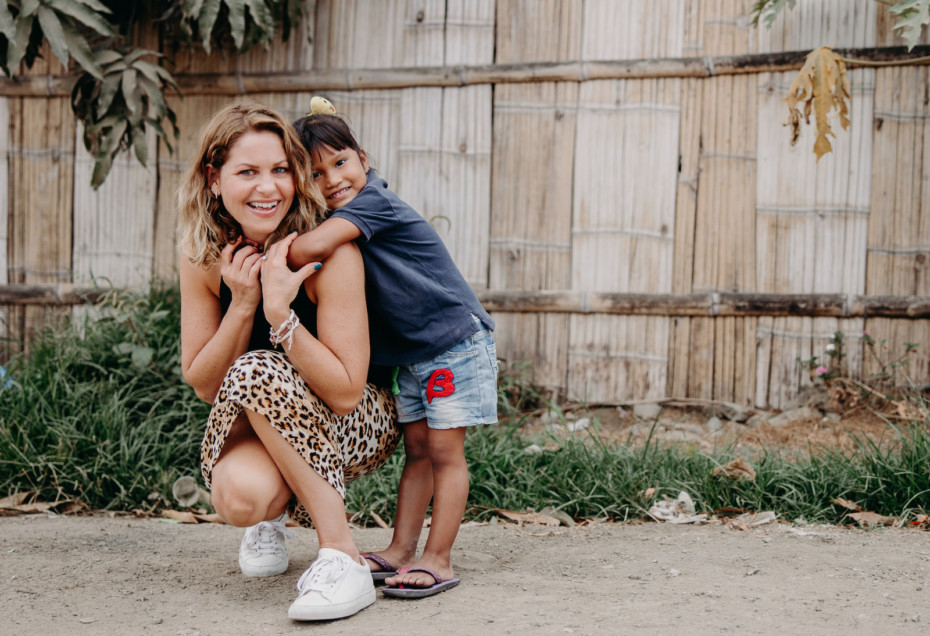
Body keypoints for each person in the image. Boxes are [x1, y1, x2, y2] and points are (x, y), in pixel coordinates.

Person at [176, 101, 400, 621]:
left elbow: (347, 391)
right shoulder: (201, 255)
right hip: (264, 415)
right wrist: (244, 304)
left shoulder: (329, 250)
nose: (268, 187)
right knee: (240, 498)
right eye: (247, 172)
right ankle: (271, 518)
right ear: (214, 179)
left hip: (357, 418)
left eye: (280, 170)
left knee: (257, 368)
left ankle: (342, 558)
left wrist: (280, 313)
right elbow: (206, 385)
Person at [287, 99, 499, 598]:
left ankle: (439, 558)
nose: (333, 180)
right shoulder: (344, 213)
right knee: (418, 451)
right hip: (417, 355)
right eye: (315, 175)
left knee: (445, 453)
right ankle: (403, 549)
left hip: (453, 343)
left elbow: (312, 249)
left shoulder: (373, 203)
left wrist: (268, 254)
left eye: (341, 163)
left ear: (363, 157)